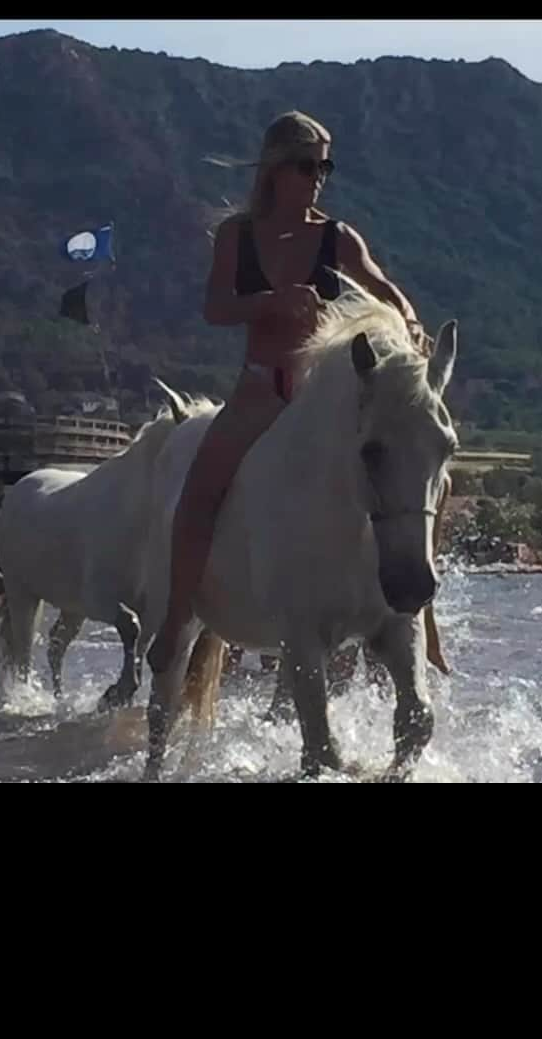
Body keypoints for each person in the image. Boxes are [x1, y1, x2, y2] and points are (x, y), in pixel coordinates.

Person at [148, 111, 446, 676]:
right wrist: (269, 302)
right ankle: (174, 620)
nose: (319, 177)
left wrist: (408, 323)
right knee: (198, 492)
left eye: (325, 166)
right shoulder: (238, 235)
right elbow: (215, 308)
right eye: (309, 165)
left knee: (422, 470)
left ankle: (423, 622)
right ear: (277, 169)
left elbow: (387, 290)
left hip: (324, 397)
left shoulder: (337, 237)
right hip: (261, 387)